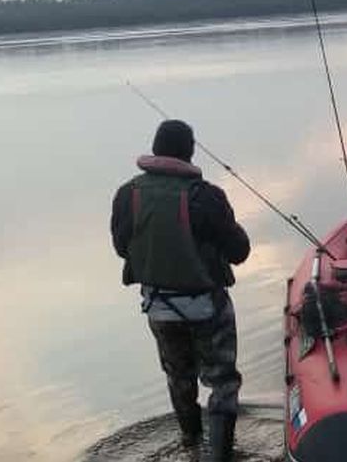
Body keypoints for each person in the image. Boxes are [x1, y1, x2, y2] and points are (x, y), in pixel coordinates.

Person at [111, 119, 250, 460]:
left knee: (179, 378)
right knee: (222, 383)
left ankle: (190, 445)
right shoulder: (208, 197)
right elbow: (239, 252)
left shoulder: (127, 194)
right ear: (190, 153)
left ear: (156, 149)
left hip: (158, 307)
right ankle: (219, 456)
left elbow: (121, 246)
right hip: (208, 307)